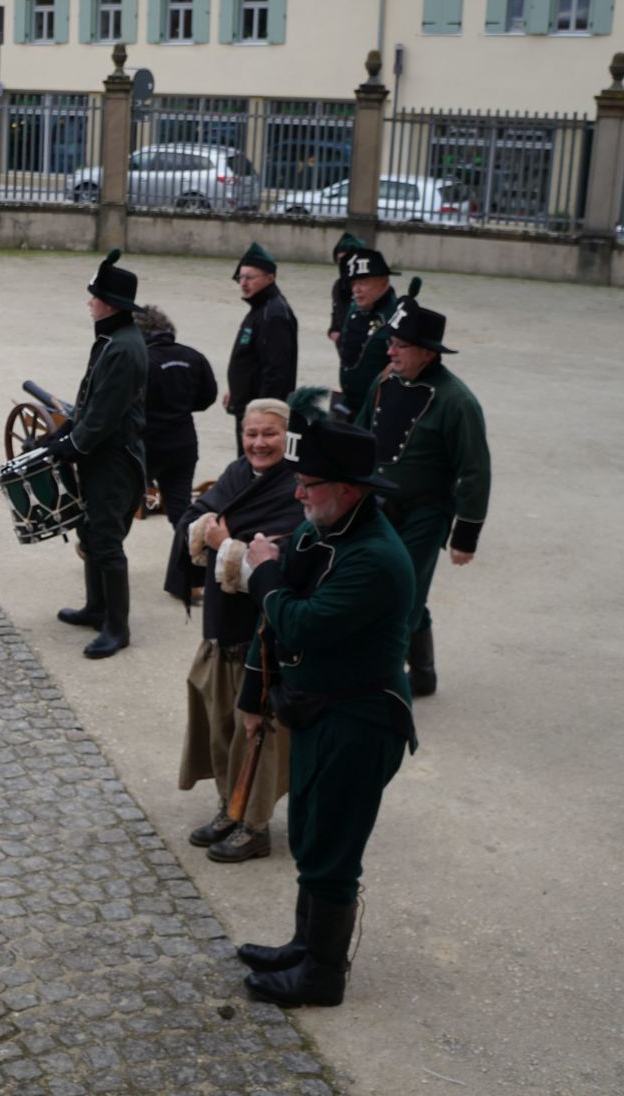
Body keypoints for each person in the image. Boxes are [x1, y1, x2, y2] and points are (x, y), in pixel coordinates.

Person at [235, 391, 417, 1008]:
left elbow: (301, 624)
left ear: (349, 488)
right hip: (320, 710)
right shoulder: (327, 529)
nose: (297, 494)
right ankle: (303, 945)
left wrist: (262, 573)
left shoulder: (376, 558)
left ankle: (322, 975)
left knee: (333, 848)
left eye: (309, 485)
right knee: (310, 833)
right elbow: (284, 603)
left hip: (361, 721)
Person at [163, 399, 302, 863]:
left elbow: (277, 564)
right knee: (221, 724)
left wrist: (222, 543)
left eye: (269, 434)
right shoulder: (237, 472)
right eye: (251, 433)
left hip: (261, 638)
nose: (258, 443)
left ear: (287, 436)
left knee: (258, 735)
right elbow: (198, 514)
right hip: (222, 629)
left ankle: (255, 826)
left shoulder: (296, 487)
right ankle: (229, 807)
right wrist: (205, 528)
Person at [357, 278, 491, 698]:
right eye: (391, 342)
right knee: (402, 588)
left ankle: (383, 687)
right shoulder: (385, 382)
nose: (391, 351)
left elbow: (475, 470)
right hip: (379, 506)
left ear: (428, 352)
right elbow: (360, 436)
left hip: (426, 513)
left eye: (401, 345)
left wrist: (465, 535)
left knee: (400, 596)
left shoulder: (458, 401)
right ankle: (424, 673)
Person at [46, 249, 148, 660]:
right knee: (90, 531)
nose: (89, 303)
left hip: (115, 459)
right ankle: (96, 608)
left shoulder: (123, 348)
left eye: (95, 297)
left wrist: (70, 446)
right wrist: (63, 434)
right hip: (101, 454)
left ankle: (117, 628)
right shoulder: (112, 339)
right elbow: (89, 401)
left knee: (106, 540)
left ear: (110, 304)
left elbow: (104, 414)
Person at [135, 305, 216, 524]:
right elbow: (208, 397)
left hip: (148, 446)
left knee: (123, 505)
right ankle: (188, 546)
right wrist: (180, 408)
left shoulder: (142, 360)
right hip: (183, 444)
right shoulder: (194, 357)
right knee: (180, 510)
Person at [223, 242, 298, 448]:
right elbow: (249, 357)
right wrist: (235, 390)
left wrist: (262, 415)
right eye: (241, 277)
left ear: (270, 278)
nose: (243, 283)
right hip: (248, 406)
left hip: (259, 415)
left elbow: (276, 371)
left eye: (250, 278)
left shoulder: (273, 315)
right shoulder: (260, 308)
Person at [331, 247, 399, 422]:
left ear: (384, 283)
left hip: (379, 412)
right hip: (347, 406)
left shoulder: (397, 316)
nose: (356, 289)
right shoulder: (355, 308)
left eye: (363, 282)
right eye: (353, 283)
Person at [327, 233, 369, 351]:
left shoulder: (371, 286)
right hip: (344, 349)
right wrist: (333, 331)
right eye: (340, 260)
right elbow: (336, 313)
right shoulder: (338, 286)